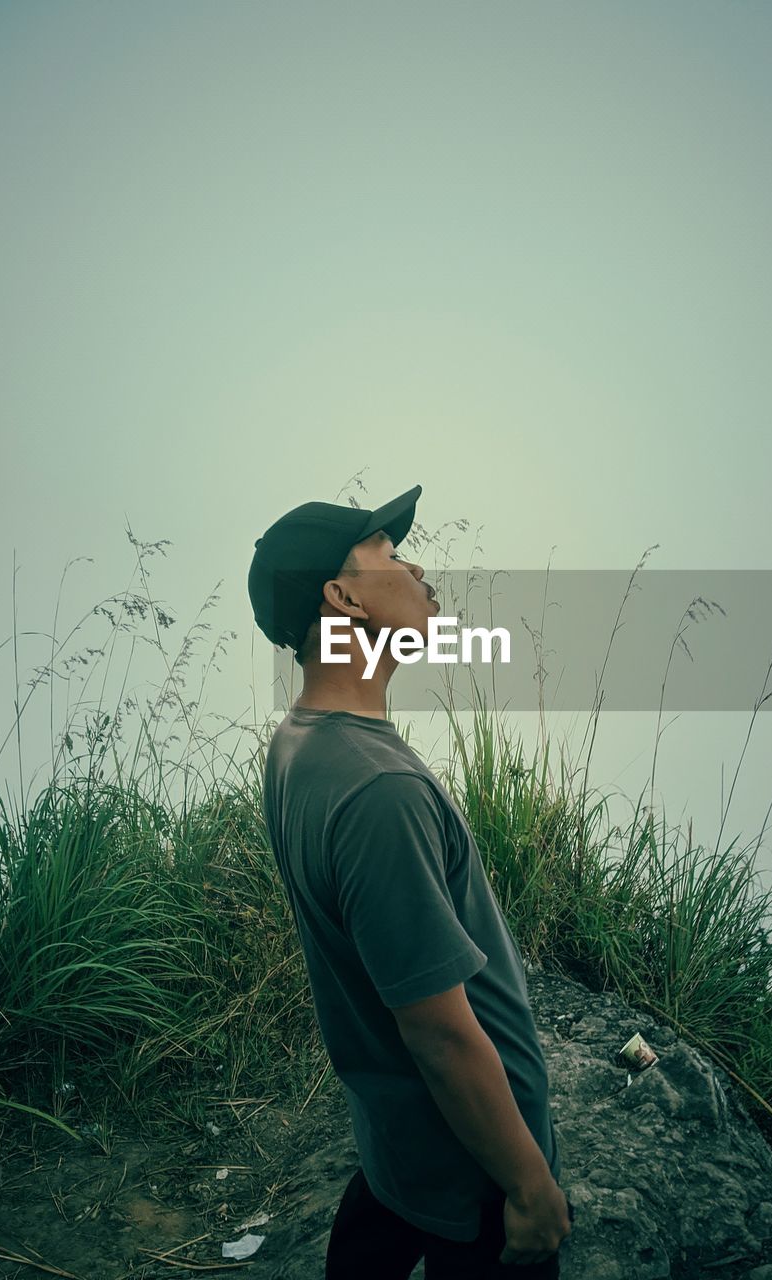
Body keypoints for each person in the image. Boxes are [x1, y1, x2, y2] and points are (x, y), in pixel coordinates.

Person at [248, 483, 574, 1279]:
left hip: (401, 1151)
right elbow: (438, 1030)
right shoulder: (376, 788)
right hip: (474, 1178)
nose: (421, 568)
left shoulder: (301, 743)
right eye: (390, 555)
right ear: (342, 596)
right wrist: (529, 1185)